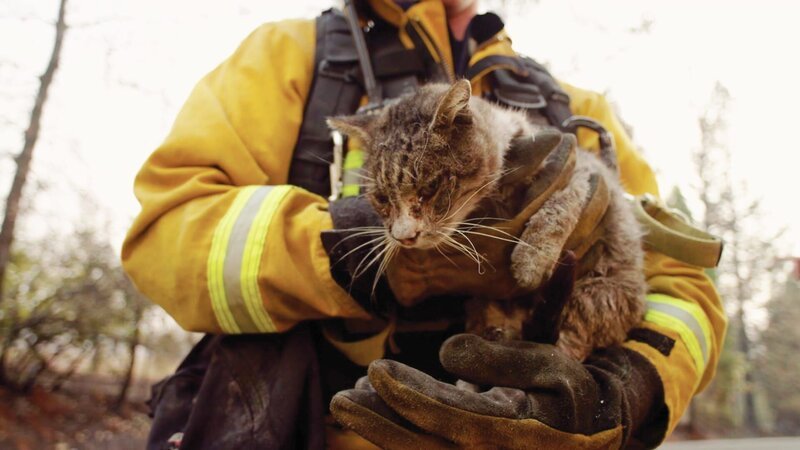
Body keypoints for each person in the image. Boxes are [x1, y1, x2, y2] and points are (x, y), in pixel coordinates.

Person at [121, 0, 727, 448]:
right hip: (322, 428)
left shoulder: (574, 109)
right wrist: (360, 258)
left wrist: (626, 389)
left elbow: (684, 284)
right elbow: (165, 234)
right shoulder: (290, 57)